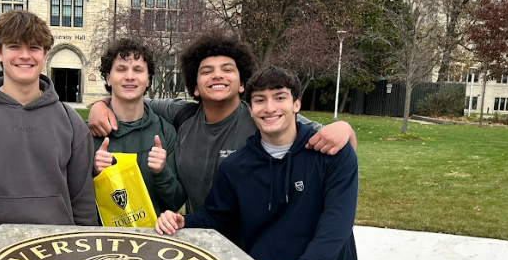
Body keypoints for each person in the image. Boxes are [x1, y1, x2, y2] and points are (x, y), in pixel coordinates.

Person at [156, 65, 359, 260]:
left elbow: (338, 220)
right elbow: (217, 217)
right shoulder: (237, 166)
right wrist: (183, 220)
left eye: (280, 97)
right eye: (260, 100)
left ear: (296, 103)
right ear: (249, 109)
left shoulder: (331, 153)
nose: (269, 107)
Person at [88, 32, 356, 215]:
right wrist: (99, 106)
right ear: (194, 87)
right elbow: (133, 100)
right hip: (200, 239)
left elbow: (336, 144)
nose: (217, 75)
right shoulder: (181, 116)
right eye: (207, 71)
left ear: (242, 84)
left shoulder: (261, 117)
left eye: (227, 69)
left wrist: (345, 129)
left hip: (253, 244)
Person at [0, 10, 97, 259]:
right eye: (14, 46)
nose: (24, 55)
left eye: (34, 47)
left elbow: (83, 203)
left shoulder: (71, 122)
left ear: (45, 54)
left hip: (57, 258)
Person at [92, 37, 185, 215]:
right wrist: (97, 175)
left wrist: (161, 172)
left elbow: (176, 203)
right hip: (102, 240)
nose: (130, 76)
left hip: (152, 239)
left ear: (148, 80)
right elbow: (77, 204)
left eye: (138, 69)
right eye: (121, 69)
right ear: (108, 78)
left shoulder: (166, 132)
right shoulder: (89, 133)